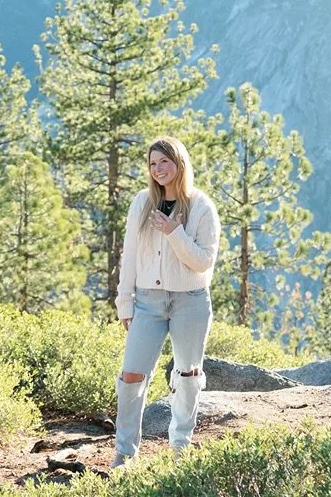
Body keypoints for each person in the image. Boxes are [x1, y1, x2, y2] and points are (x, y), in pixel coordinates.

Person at [111, 135, 220, 468]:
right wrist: (124, 301)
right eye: (153, 163)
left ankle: (180, 448)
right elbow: (128, 256)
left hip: (190, 302)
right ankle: (124, 454)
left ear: (180, 164)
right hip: (147, 302)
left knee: (188, 375)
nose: (158, 169)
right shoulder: (141, 203)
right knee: (131, 375)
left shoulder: (202, 206)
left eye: (164, 162)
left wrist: (175, 232)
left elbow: (203, 261)